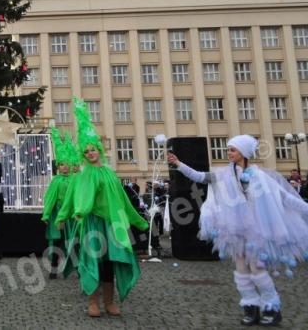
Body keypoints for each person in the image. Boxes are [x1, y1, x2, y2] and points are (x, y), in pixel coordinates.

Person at [167, 135, 308, 326]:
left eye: (233, 150)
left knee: (256, 268)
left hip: (256, 231)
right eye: (228, 149)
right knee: (241, 269)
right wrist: (179, 164)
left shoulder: (259, 176)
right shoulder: (224, 174)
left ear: (244, 152)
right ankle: (250, 308)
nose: (229, 153)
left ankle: (272, 308)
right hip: (236, 231)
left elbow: (283, 197)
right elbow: (200, 177)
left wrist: (305, 208)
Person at [55, 98, 148, 318]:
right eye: (86, 151)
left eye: (93, 149)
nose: (90, 153)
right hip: (93, 223)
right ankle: (93, 303)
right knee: (93, 262)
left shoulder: (109, 173)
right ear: (83, 155)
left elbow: (122, 200)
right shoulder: (83, 174)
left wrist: (137, 220)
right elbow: (75, 198)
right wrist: (66, 215)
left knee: (110, 264)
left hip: (112, 225)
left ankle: (109, 302)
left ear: (98, 149)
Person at [41, 126, 77, 278]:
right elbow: (50, 198)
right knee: (57, 241)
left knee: (73, 241)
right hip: (58, 213)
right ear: (58, 167)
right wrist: (46, 214)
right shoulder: (56, 181)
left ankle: (77, 266)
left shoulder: (75, 180)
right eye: (62, 165)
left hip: (72, 214)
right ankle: (54, 267)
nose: (65, 167)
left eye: (66, 164)